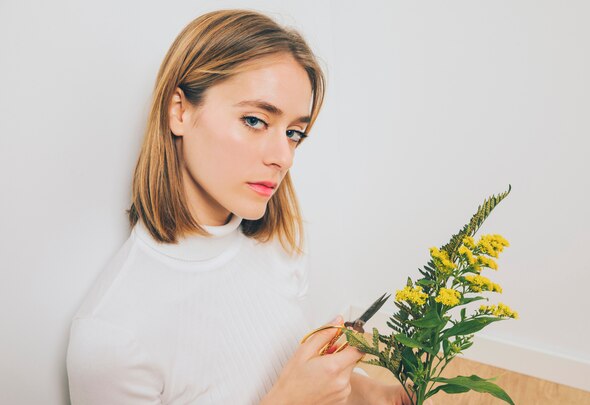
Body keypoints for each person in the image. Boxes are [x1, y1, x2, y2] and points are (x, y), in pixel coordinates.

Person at [66, 9, 420, 404]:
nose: (283, 157)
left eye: (293, 133)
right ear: (179, 111)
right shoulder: (110, 336)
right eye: (254, 120)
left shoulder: (279, 244)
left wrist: (374, 393)